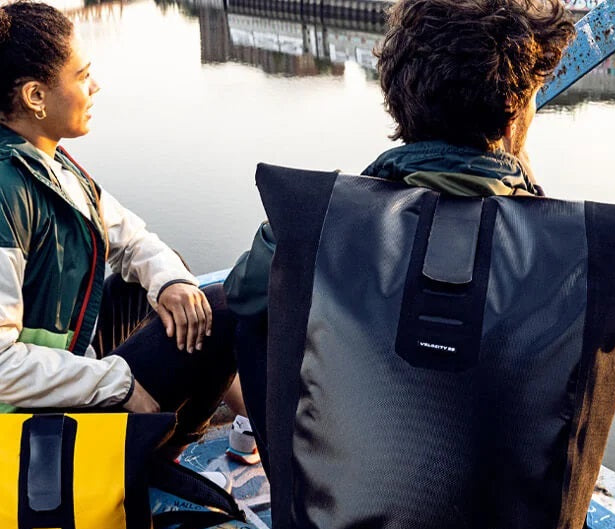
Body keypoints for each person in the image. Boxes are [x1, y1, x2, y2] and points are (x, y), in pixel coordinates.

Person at [225, 0, 576, 441]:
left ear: (399, 101)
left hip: (338, 502)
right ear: (513, 116)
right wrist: (526, 187)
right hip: (509, 506)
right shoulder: (573, 250)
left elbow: (241, 293)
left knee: (240, 305)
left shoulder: (319, 223)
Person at [0, 0, 238, 451]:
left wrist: (171, 283)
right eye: (82, 76)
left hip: (59, 372)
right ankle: (159, 455)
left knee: (170, 289)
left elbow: (133, 241)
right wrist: (117, 383)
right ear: (35, 96)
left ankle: (209, 424)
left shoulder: (54, 168)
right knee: (222, 312)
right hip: (9, 430)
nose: (96, 87)